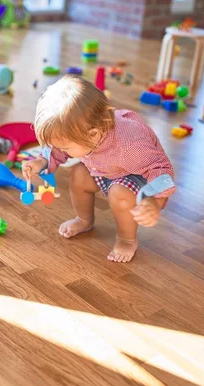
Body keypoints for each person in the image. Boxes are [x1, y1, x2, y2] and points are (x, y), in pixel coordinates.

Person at [22, 76, 175, 262]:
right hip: (105, 168)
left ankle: (127, 239)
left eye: (66, 147)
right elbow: (57, 149)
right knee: (79, 174)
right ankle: (84, 220)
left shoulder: (130, 147)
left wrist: (154, 202)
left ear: (93, 134)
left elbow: (163, 172)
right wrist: (41, 162)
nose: (62, 151)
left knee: (118, 192)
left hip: (137, 176)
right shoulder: (86, 135)